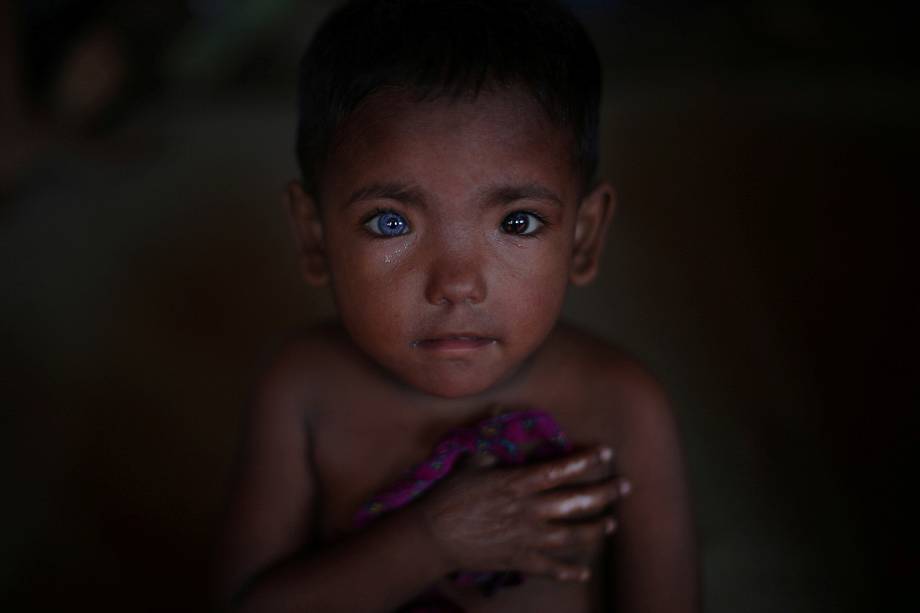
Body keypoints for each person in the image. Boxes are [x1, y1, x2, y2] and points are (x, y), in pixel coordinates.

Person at [212, 1, 698, 611]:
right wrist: (430, 542)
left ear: (585, 236)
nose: (456, 283)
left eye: (518, 222)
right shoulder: (304, 388)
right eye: (390, 222)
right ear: (314, 236)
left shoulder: (622, 403)